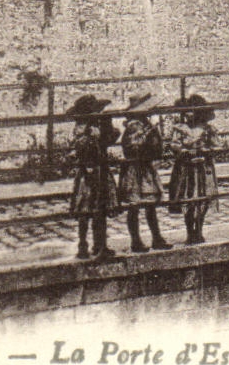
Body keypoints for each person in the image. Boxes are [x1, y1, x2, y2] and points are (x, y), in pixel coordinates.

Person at [166, 94, 225, 244]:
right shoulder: (180, 128)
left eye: (192, 111)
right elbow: (174, 145)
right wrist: (184, 152)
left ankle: (199, 229)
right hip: (186, 169)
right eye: (187, 112)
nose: (189, 115)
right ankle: (189, 231)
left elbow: (217, 145)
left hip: (203, 168)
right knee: (188, 198)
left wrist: (207, 151)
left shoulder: (207, 129)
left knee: (203, 198)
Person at [116, 93, 171, 253]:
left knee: (150, 204)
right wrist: (147, 139)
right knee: (135, 205)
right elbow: (132, 147)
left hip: (145, 168)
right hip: (136, 169)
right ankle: (136, 240)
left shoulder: (144, 125)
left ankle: (156, 238)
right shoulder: (135, 127)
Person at [65, 93, 118, 260]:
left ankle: (99, 244)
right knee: (86, 209)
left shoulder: (97, 127)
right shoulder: (82, 131)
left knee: (100, 209)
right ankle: (83, 245)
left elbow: (109, 139)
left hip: (100, 170)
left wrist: (107, 130)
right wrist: (92, 137)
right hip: (88, 173)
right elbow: (79, 149)